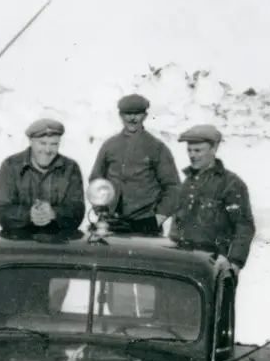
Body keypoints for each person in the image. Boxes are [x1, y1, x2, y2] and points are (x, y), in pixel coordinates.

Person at [88, 94, 181, 235]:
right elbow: (96, 179)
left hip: (145, 224)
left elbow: (173, 187)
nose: (132, 118)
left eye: (137, 114)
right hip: (112, 223)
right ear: (120, 115)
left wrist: (158, 218)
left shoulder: (157, 147)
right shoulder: (109, 146)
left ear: (145, 115)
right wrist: (100, 207)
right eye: (128, 114)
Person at [167, 124, 256, 270]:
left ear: (214, 149)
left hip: (213, 264)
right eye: (189, 150)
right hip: (181, 259)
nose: (192, 155)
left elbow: (244, 226)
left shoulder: (230, 184)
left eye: (198, 150)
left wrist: (234, 262)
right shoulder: (188, 183)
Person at [0, 118, 86, 234]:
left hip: (59, 242)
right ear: (31, 142)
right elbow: (2, 211)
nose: (47, 150)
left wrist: (54, 213)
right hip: (20, 242)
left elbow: (77, 211)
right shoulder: (10, 166)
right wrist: (28, 215)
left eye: (53, 144)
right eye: (42, 143)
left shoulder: (70, 168)